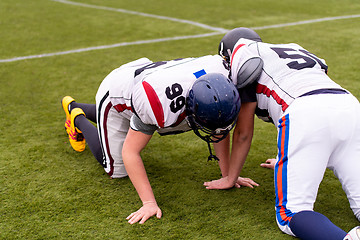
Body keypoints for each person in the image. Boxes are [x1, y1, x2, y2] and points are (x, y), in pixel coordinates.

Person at [203, 27, 360, 240]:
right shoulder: (293, 48)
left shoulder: (243, 55)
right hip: (349, 106)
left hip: (306, 113)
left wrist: (230, 177)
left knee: (290, 214)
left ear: (229, 54)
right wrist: (290, 157)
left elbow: (243, 133)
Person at [61, 55, 246, 225]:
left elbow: (218, 128)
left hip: (145, 77)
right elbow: (130, 151)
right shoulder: (157, 102)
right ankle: (76, 117)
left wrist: (228, 175)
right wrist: (149, 203)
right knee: (116, 169)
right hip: (116, 92)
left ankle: (84, 111)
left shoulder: (221, 82)